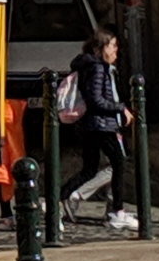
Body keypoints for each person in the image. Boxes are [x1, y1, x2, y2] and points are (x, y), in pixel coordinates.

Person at [59, 27, 140, 231]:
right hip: (101, 124)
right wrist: (121, 108)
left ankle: (61, 200)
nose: (115, 51)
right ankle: (116, 212)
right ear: (99, 48)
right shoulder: (97, 68)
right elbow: (96, 100)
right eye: (112, 46)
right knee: (119, 163)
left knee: (89, 168)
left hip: (93, 124)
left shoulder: (95, 67)